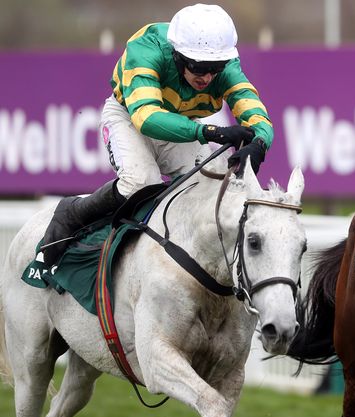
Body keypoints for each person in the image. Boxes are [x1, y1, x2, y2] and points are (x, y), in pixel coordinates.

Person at [42, 4, 273, 266]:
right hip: (129, 117)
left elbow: (255, 112)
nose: (207, 76)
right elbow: (147, 117)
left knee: (215, 186)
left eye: (215, 67)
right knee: (141, 183)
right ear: (177, 55)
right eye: (198, 67)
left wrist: (260, 143)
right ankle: (73, 213)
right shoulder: (146, 47)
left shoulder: (226, 65)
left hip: (179, 123)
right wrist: (209, 131)